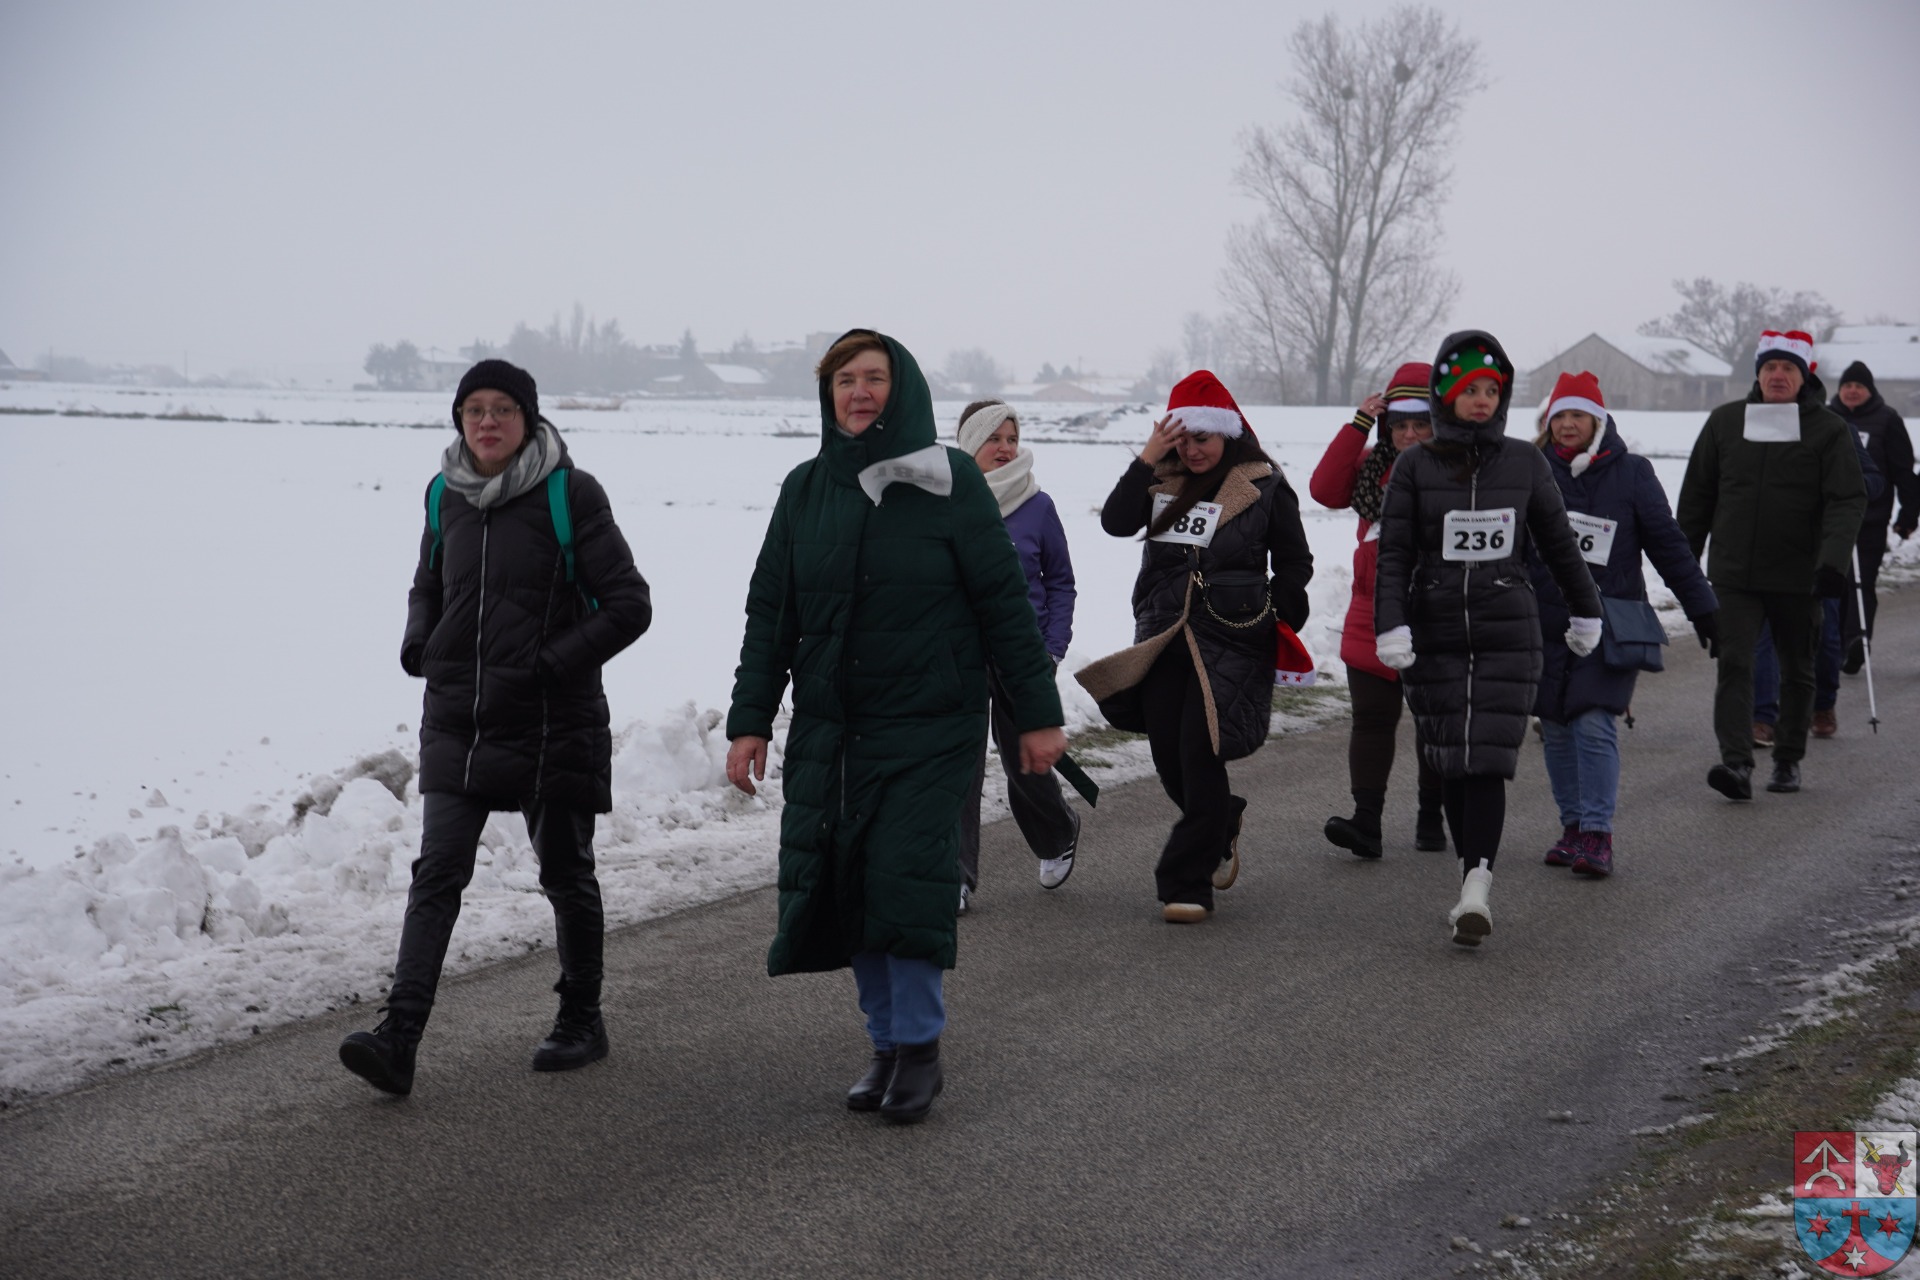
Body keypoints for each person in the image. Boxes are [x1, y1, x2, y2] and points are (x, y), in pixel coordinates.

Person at [724, 330, 1066, 1125]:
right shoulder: (805, 489)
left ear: (902, 389)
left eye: (875, 377)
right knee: (849, 883)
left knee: (903, 879)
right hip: (833, 730)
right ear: (828, 394)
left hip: (930, 725)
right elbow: (772, 614)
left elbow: (1004, 606)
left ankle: (918, 1048)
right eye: (845, 379)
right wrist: (750, 721)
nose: (859, 391)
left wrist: (1037, 714)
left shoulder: (950, 483)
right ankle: (883, 1045)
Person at [339, 359, 654, 1096]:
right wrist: (421, 643)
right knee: (437, 873)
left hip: (552, 718)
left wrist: (551, 663)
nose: (487, 421)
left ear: (527, 419)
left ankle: (582, 1018)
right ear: (459, 419)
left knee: (565, 871)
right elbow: (428, 582)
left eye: (502, 409)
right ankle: (399, 1038)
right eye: (474, 409)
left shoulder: (570, 493)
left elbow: (629, 604)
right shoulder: (444, 494)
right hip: (460, 718)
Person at [1372, 331, 1602, 946]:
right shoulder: (1415, 467)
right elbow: (1394, 554)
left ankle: (1478, 884)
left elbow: (1559, 544)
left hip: (1508, 629)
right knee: (1453, 758)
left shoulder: (1525, 463)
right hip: (1436, 630)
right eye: (1469, 389)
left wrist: (1586, 611)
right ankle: (1467, 875)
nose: (1481, 399)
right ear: (1446, 395)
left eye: (1491, 390)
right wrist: (1390, 623)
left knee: (1488, 762)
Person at [1076, 371, 1313, 922]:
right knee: (1169, 759)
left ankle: (1185, 883)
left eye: (1202, 439)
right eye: (1181, 440)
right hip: (1164, 636)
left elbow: (1295, 560)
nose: (1192, 451)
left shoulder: (1264, 484)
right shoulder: (1161, 482)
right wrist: (1147, 458)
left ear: (1227, 434)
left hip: (1232, 637)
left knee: (1199, 753)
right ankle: (1220, 818)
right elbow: (1114, 522)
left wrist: (1279, 608)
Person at [1527, 372, 1718, 878]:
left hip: (1610, 621)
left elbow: (1668, 545)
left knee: (1592, 720)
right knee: (1556, 725)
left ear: (1598, 421)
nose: (1567, 424)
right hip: (1547, 620)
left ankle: (1597, 833)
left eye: (1578, 415)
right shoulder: (1532, 471)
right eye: (1559, 416)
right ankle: (1572, 827)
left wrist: (1702, 607)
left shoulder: (1632, 473)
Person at [1676, 330, 1866, 799]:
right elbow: (1697, 497)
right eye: (1769, 367)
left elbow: (1846, 499)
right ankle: (1736, 763)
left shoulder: (1828, 429)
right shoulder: (1725, 421)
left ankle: (1787, 759)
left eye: (1788, 368)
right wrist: (1684, 567)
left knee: (1797, 668)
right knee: (1734, 662)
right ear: (1758, 374)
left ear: (1804, 376)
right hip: (1734, 573)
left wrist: (1832, 563)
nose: (1777, 376)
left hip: (1799, 574)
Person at [1309, 362, 1447, 858]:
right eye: (1399, 424)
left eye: (1420, 424)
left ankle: (1431, 817)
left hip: (1436, 611)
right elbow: (1324, 489)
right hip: (1371, 610)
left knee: (1434, 720)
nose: (1408, 434)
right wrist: (1359, 424)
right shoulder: (1371, 466)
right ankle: (1367, 821)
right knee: (1371, 718)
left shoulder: (1460, 469)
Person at [952, 400, 1081, 907]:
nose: (1005, 448)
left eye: (1012, 438)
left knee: (1024, 762)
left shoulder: (1037, 505)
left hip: (1023, 656)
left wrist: (1053, 647)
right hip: (959, 653)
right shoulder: (944, 501)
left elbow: (1061, 582)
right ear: (970, 444)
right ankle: (955, 877)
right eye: (994, 438)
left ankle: (1058, 833)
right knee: (958, 766)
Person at [1753, 435, 1882, 740]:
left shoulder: (1836, 428)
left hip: (1821, 548)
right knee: (1764, 632)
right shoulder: (1760, 426)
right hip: (1767, 545)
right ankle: (1763, 716)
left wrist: (1843, 484)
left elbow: (1875, 480)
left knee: (1824, 632)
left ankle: (1823, 704)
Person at [1830, 360, 1918, 672]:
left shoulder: (1887, 420)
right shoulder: (1827, 418)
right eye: (1847, 386)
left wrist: (1908, 514)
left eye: (1859, 386)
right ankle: (1834, 643)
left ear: (1870, 390)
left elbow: (1903, 471)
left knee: (1861, 580)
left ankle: (1857, 640)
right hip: (1831, 520)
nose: (1852, 391)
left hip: (1871, 518)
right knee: (1834, 581)